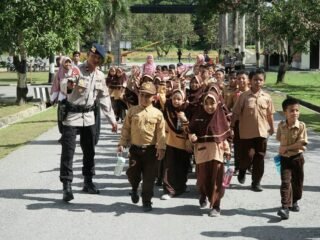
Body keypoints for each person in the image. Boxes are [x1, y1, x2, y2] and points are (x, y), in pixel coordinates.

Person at [59, 43, 117, 202]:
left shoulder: (99, 76)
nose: (95, 60)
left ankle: (88, 181)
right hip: (72, 115)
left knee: (89, 151)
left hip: (89, 116)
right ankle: (67, 185)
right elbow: (64, 85)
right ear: (88, 55)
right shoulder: (76, 69)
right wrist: (69, 85)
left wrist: (112, 120)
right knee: (68, 151)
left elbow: (104, 98)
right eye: (93, 56)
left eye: (98, 58)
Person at [118, 82, 166, 212]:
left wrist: (161, 148)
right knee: (133, 174)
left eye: (148, 96)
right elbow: (126, 129)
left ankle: (147, 201)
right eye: (142, 95)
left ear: (153, 97)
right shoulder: (132, 111)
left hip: (150, 151)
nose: (144, 98)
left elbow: (161, 133)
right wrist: (122, 143)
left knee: (149, 178)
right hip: (135, 149)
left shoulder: (157, 114)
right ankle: (134, 188)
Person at [188, 91, 231, 217]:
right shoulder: (198, 115)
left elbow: (224, 136)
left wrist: (227, 151)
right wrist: (192, 137)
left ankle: (216, 206)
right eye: (206, 103)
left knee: (217, 180)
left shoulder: (220, 116)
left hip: (217, 153)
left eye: (212, 103)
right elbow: (190, 131)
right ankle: (203, 195)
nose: (209, 106)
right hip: (202, 152)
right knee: (202, 180)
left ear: (217, 102)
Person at [231, 68, 275, 192]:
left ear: (264, 82)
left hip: (262, 133)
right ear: (250, 81)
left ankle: (256, 182)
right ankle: (243, 170)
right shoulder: (244, 96)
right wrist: (231, 127)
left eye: (260, 80)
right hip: (246, 134)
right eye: (255, 79)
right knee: (248, 156)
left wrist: (272, 128)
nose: (258, 82)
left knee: (260, 158)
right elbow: (235, 113)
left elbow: (270, 114)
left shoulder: (267, 97)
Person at [276, 98, 308, 220]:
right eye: (291, 110)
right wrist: (283, 149)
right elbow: (279, 138)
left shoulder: (301, 126)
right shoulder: (281, 125)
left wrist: (286, 147)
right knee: (285, 182)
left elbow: (301, 143)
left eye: (297, 110)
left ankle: (295, 200)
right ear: (285, 112)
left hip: (297, 158)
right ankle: (285, 207)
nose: (295, 113)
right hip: (284, 159)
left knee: (297, 182)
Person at [161, 89, 192, 200]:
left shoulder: (187, 111)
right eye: (174, 98)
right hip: (170, 142)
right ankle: (169, 190)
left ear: (183, 100)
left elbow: (191, 128)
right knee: (169, 168)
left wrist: (184, 119)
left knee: (182, 167)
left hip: (184, 144)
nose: (176, 101)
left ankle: (182, 187)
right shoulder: (168, 110)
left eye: (179, 99)